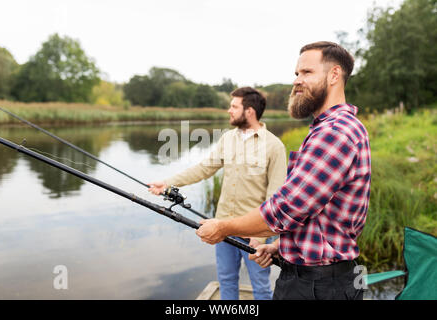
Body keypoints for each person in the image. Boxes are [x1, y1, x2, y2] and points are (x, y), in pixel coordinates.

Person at [196, 41, 371, 300]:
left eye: (307, 73)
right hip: (318, 280)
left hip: (317, 287)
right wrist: (280, 246)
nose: (297, 80)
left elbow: (286, 209)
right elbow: (318, 215)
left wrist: (223, 227)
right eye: (296, 74)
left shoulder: (335, 132)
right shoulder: (327, 129)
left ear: (334, 75)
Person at [148, 87, 287, 300]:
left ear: (249, 111)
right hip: (222, 227)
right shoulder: (227, 139)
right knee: (226, 281)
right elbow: (203, 169)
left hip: (254, 233)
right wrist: (167, 184)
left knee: (260, 286)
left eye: (234, 106)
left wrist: (263, 236)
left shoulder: (274, 146)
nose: (229, 111)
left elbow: (275, 197)